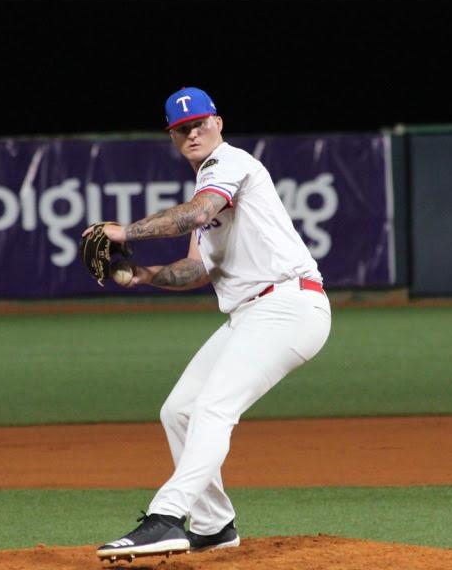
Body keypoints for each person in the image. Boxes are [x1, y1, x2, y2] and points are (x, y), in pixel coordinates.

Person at [88, 87, 332, 561]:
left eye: (199, 123)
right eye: (182, 129)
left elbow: (196, 213)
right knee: (178, 411)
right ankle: (214, 525)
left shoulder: (229, 163)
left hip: (289, 305)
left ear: (218, 123)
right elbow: (197, 269)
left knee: (213, 408)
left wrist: (126, 231)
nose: (192, 133)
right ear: (173, 137)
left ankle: (165, 516)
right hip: (252, 314)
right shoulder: (208, 186)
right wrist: (146, 274)